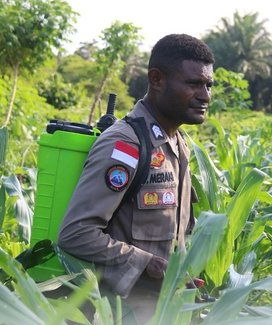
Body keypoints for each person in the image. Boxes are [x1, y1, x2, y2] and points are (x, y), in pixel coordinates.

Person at [58, 34, 215, 323]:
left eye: (208, 85)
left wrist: (177, 275)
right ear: (157, 79)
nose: (205, 95)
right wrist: (148, 265)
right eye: (193, 84)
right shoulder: (124, 145)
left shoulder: (179, 145)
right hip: (120, 311)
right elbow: (75, 233)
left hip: (165, 307)